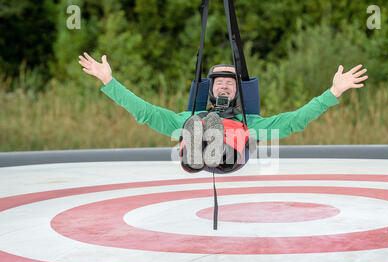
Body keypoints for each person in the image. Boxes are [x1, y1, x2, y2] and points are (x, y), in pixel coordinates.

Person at [78, 52, 368, 173]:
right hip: (197, 151)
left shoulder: (250, 122)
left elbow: (295, 120)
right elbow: (145, 112)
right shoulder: (190, 117)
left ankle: (215, 149)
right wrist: (109, 81)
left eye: (231, 84)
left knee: (214, 125)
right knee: (195, 123)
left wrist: (333, 92)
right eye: (221, 84)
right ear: (211, 91)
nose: (226, 88)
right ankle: (195, 154)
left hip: (231, 158)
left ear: (238, 92)